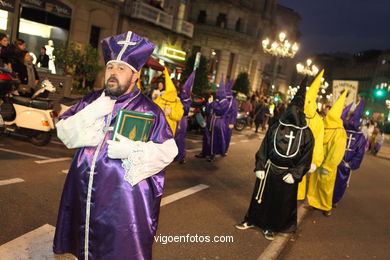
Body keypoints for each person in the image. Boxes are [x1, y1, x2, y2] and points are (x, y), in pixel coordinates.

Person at [53, 31, 178, 260]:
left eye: (121, 69)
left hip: (123, 201)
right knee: (84, 246)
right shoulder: (91, 100)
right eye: (111, 67)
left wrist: (132, 151)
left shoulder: (150, 110)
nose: (113, 73)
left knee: (119, 250)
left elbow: (169, 151)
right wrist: (93, 111)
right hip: (82, 190)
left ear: (135, 75)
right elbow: (64, 132)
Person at [235, 83, 314, 241]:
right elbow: (264, 147)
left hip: (287, 174)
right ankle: (251, 220)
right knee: (259, 197)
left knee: (278, 203)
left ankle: (270, 227)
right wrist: (260, 166)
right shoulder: (276, 126)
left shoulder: (306, 134)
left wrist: (295, 174)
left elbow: (306, 157)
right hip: (270, 168)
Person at [307, 90, 348, 216]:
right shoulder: (323, 124)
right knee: (315, 183)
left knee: (326, 186)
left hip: (327, 165)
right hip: (319, 160)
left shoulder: (340, 132)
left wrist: (328, 166)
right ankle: (315, 202)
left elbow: (337, 152)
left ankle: (326, 206)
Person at [333, 98, 366, 206]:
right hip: (336, 160)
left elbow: (359, 153)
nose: (352, 122)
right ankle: (328, 199)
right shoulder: (342, 130)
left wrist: (351, 164)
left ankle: (335, 200)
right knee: (332, 180)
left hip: (346, 163)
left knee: (341, 182)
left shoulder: (360, 137)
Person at [297, 73, 324, 200]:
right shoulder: (295, 113)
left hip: (303, 157)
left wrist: (315, 162)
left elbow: (318, 142)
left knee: (296, 184)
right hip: (288, 155)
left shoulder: (318, 121)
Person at [196, 78, 230, 162]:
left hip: (218, 123)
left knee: (214, 139)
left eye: (219, 90)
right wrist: (208, 103)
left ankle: (212, 154)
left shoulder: (225, 102)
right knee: (206, 137)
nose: (217, 92)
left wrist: (212, 103)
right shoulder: (216, 100)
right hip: (210, 120)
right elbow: (207, 110)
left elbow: (219, 110)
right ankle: (204, 152)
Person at [154, 67, 184, 135]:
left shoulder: (177, 101)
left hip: (169, 129)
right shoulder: (159, 98)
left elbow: (178, 116)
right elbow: (152, 110)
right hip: (157, 128)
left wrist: (171, 112)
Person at [174, 71, 195, 164]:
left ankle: (182, 156)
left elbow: (185, 110)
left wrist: (180, 103)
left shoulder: (187, 100)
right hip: (176, 118)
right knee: (174, 138)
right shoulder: (178, 96)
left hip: (182, 120)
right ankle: (175, 155)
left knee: (180, 138)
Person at [224, 80, 238, 154]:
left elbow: (234, 112)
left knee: (227, 136)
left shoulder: (233, 101)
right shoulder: (223, 98)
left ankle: (225, 150)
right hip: (222, 120)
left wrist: (232, 122)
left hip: (229, 121)